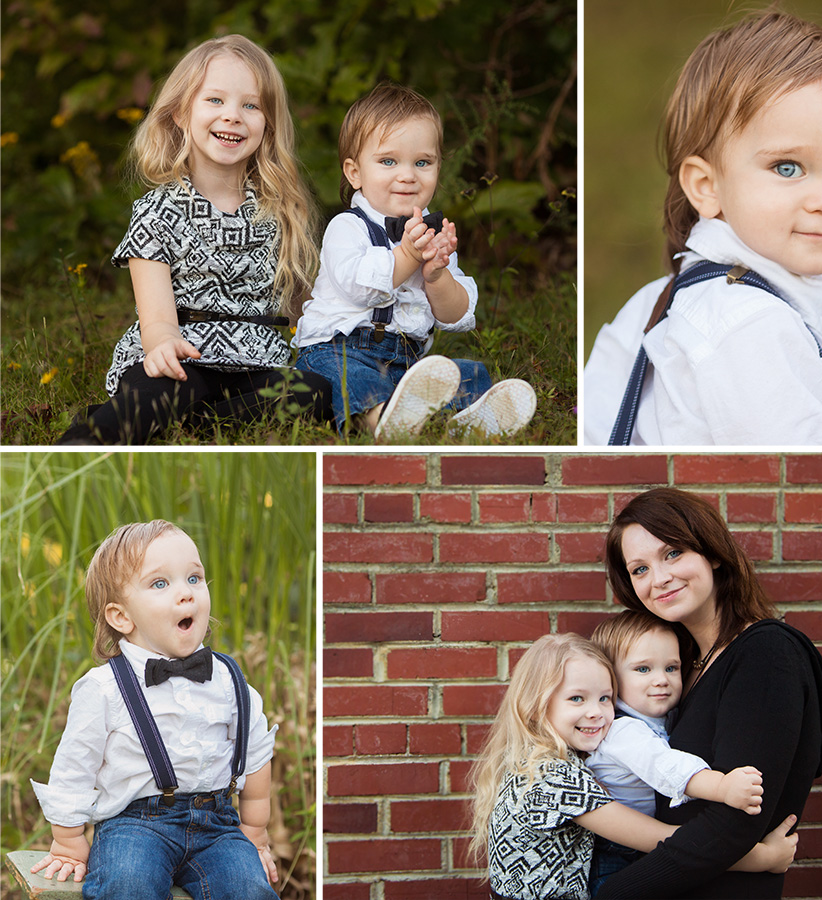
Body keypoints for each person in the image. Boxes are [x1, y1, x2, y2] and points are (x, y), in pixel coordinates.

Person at [584, 11, 822, 445]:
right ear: (707, 187)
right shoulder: (750, 327)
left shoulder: (672, 292)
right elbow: (805, 467)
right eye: (788, 167)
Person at [57, 35, 331, 445]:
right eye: (215, 100)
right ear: (181, 114)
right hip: (184, 359)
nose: (233, 116)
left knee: (317, 391)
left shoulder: (279, 210)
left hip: (256, 365)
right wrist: (163, 342)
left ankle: (193, 425)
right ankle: (88, 438)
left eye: (251, 105)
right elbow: (157, 318)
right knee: (162, 392)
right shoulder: (160, 210)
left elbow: (299, 301)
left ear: (268, 123)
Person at [596, 488, 822, 898]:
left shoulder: (766, 654)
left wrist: (614, 894)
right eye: (639, 569)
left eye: (672, 553)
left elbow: (734, 822)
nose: (658, 578)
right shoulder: (681, 669)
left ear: (711, 553)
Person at [29, 520, 279, 899]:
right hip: (136, 825)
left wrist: (256, 832)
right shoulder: (104, 689)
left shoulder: (228, 680)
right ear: (121, 617)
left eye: (194, 578)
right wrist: (68, 840)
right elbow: (74, 767)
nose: (186, 594)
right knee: (127, 884)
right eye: (160, 584)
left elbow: (256, 753)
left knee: (248, 887)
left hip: (217, 826)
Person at [468, 632, 798, 900]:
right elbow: (666, 842)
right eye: (576, 699)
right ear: (536, 706)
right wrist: (762, 859)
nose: (597, 712)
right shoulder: (553, 777)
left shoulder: (530, 759)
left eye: (605, 698)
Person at [293, 82, 536, 442]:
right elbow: (359, 287)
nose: (408, 175)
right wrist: (407, 255)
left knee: (468, 373)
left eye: (422, 162)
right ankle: (380, 420)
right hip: (339, 349)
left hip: (406, 363)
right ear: (354, 172)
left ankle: (463, 420)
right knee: (352, 377)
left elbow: (456, 317)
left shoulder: (431, 236)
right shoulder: (347, 227)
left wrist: (437, 276)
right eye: (388, 161)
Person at [585, 611, 763, 890]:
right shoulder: (623, 732)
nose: (661, 680)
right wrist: (723, 787)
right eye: (643, 669)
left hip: (643, 846)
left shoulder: (661, 717)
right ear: (610, 679)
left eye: (671, 668)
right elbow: (666, 767)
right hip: (615, 856)